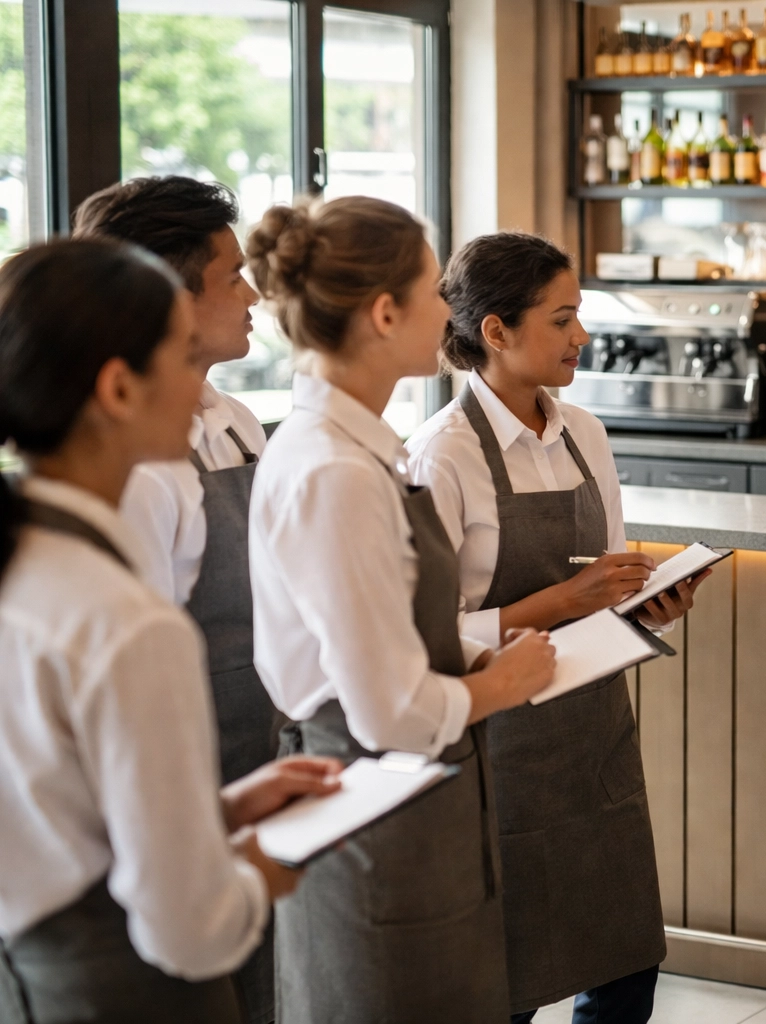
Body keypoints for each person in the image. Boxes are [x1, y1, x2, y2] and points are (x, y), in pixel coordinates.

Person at [0, 239, 340, 1022]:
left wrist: (215, 814)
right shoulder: (125, 620)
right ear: (119, 388)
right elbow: (191, 931)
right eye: (185, 360)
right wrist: (261, 869)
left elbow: (54, 816)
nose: (201, 393)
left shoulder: (30, 568)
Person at [245, 199, 557, 1024]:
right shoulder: (332, 471)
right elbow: (388, 712)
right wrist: (511, 680)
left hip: (414, 804)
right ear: (384, 314)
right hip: (369, 806)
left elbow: (378, 635)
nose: (446, 312)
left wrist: (469, 653)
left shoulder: (359, 450)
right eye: (430, 291)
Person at [407, 232, 704, 1024]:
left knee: (624, 963)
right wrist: (565, 600)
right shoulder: (441, 458)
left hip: (593, 739)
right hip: (498, 749)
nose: (582, 337)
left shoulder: (585, 434)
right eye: (562, 319)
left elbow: (601, 578)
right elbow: (430, 633)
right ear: (496, 332)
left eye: (580, 316)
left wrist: (642, 601)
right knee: (506, 979)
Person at [73, 176, 282, 1024]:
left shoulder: (235, 420)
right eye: (233, 274)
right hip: (171, 804)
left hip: (246, 761)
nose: (253, 294)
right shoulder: (136, 477)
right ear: (165, 294)